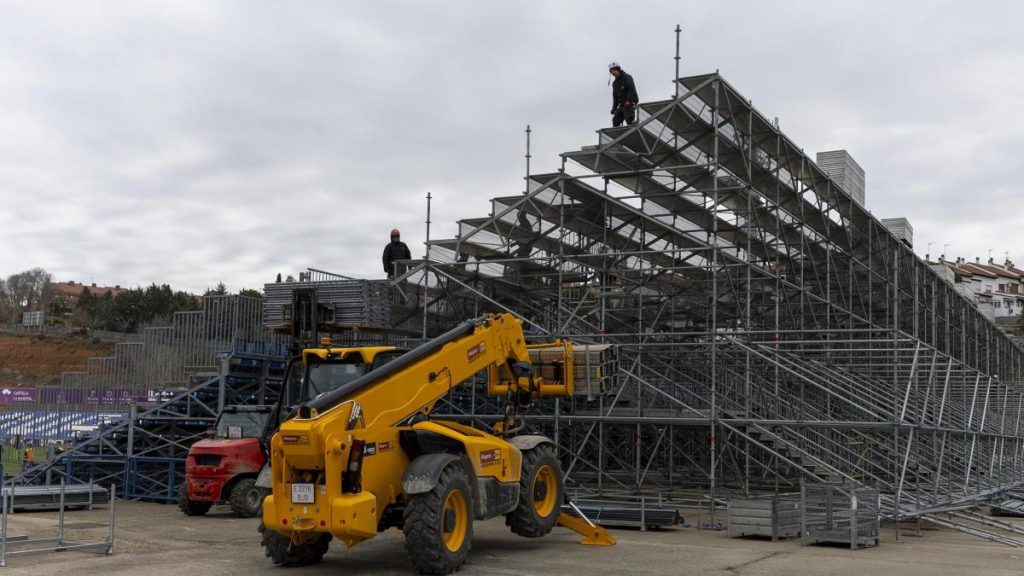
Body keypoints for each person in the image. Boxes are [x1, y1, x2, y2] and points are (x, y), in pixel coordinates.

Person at [608, 61, 639, 127]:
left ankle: (632, 132)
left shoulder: (627, 77)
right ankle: (619, 135)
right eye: (611, 72)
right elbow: (615, 97)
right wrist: (614, 108)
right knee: (615, 120)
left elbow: (631, 90)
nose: (613, 73)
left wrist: (628, 101)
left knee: (628, 117)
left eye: (614, 71)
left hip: (630, 102)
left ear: (618, 69)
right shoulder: (615, 84)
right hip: (622, 105)